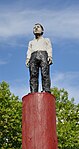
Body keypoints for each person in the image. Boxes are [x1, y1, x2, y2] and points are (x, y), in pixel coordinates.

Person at [25, 23, 53, 93]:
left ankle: (46, 90)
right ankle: (33, 91)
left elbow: (49, 48)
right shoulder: (31, 42)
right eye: (34, 27)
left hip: (43, 55)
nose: (36, 28)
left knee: (45, 73)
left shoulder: (46, 40)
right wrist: (28, 59)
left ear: (42, 30)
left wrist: (50, 56)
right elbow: (29, 50)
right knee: (33, 74)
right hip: (33, 56)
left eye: (38, 27)